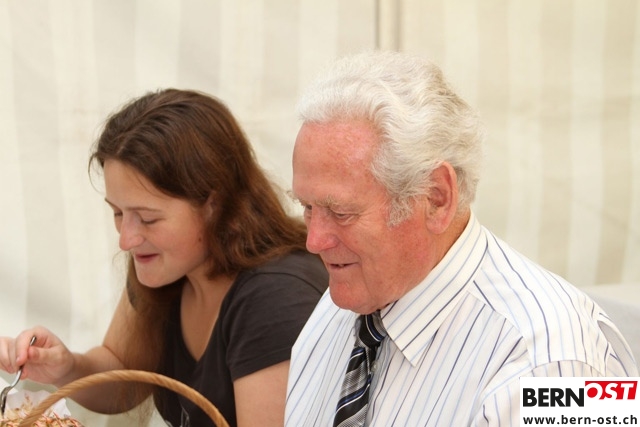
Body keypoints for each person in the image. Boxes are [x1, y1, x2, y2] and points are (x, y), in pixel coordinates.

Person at [285, 51, 638, 427]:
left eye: (341, 213)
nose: (314, 241)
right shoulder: (344, 303)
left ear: (436, 198)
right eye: (307, 207)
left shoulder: (553, 360)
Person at [0, 89, 328, 427]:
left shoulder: (277, 296)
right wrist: (68, 368)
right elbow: (124, 371)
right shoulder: (166, 265)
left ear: (214, 204)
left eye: (148, 218)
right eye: (118, 213)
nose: (126, 240)